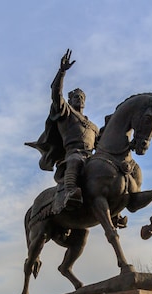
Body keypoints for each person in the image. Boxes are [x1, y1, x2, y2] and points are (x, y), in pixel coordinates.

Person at [26, 49, 100, 212]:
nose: (79, 99)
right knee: (75, 160)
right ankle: (70, 190)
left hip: (91, 158)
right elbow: (56, 93)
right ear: (70, 100)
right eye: (75, 97)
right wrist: (62, 72)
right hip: (73, 154)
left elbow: (103, 144)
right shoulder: (66, 113)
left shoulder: (93, 127)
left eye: (81, 97)